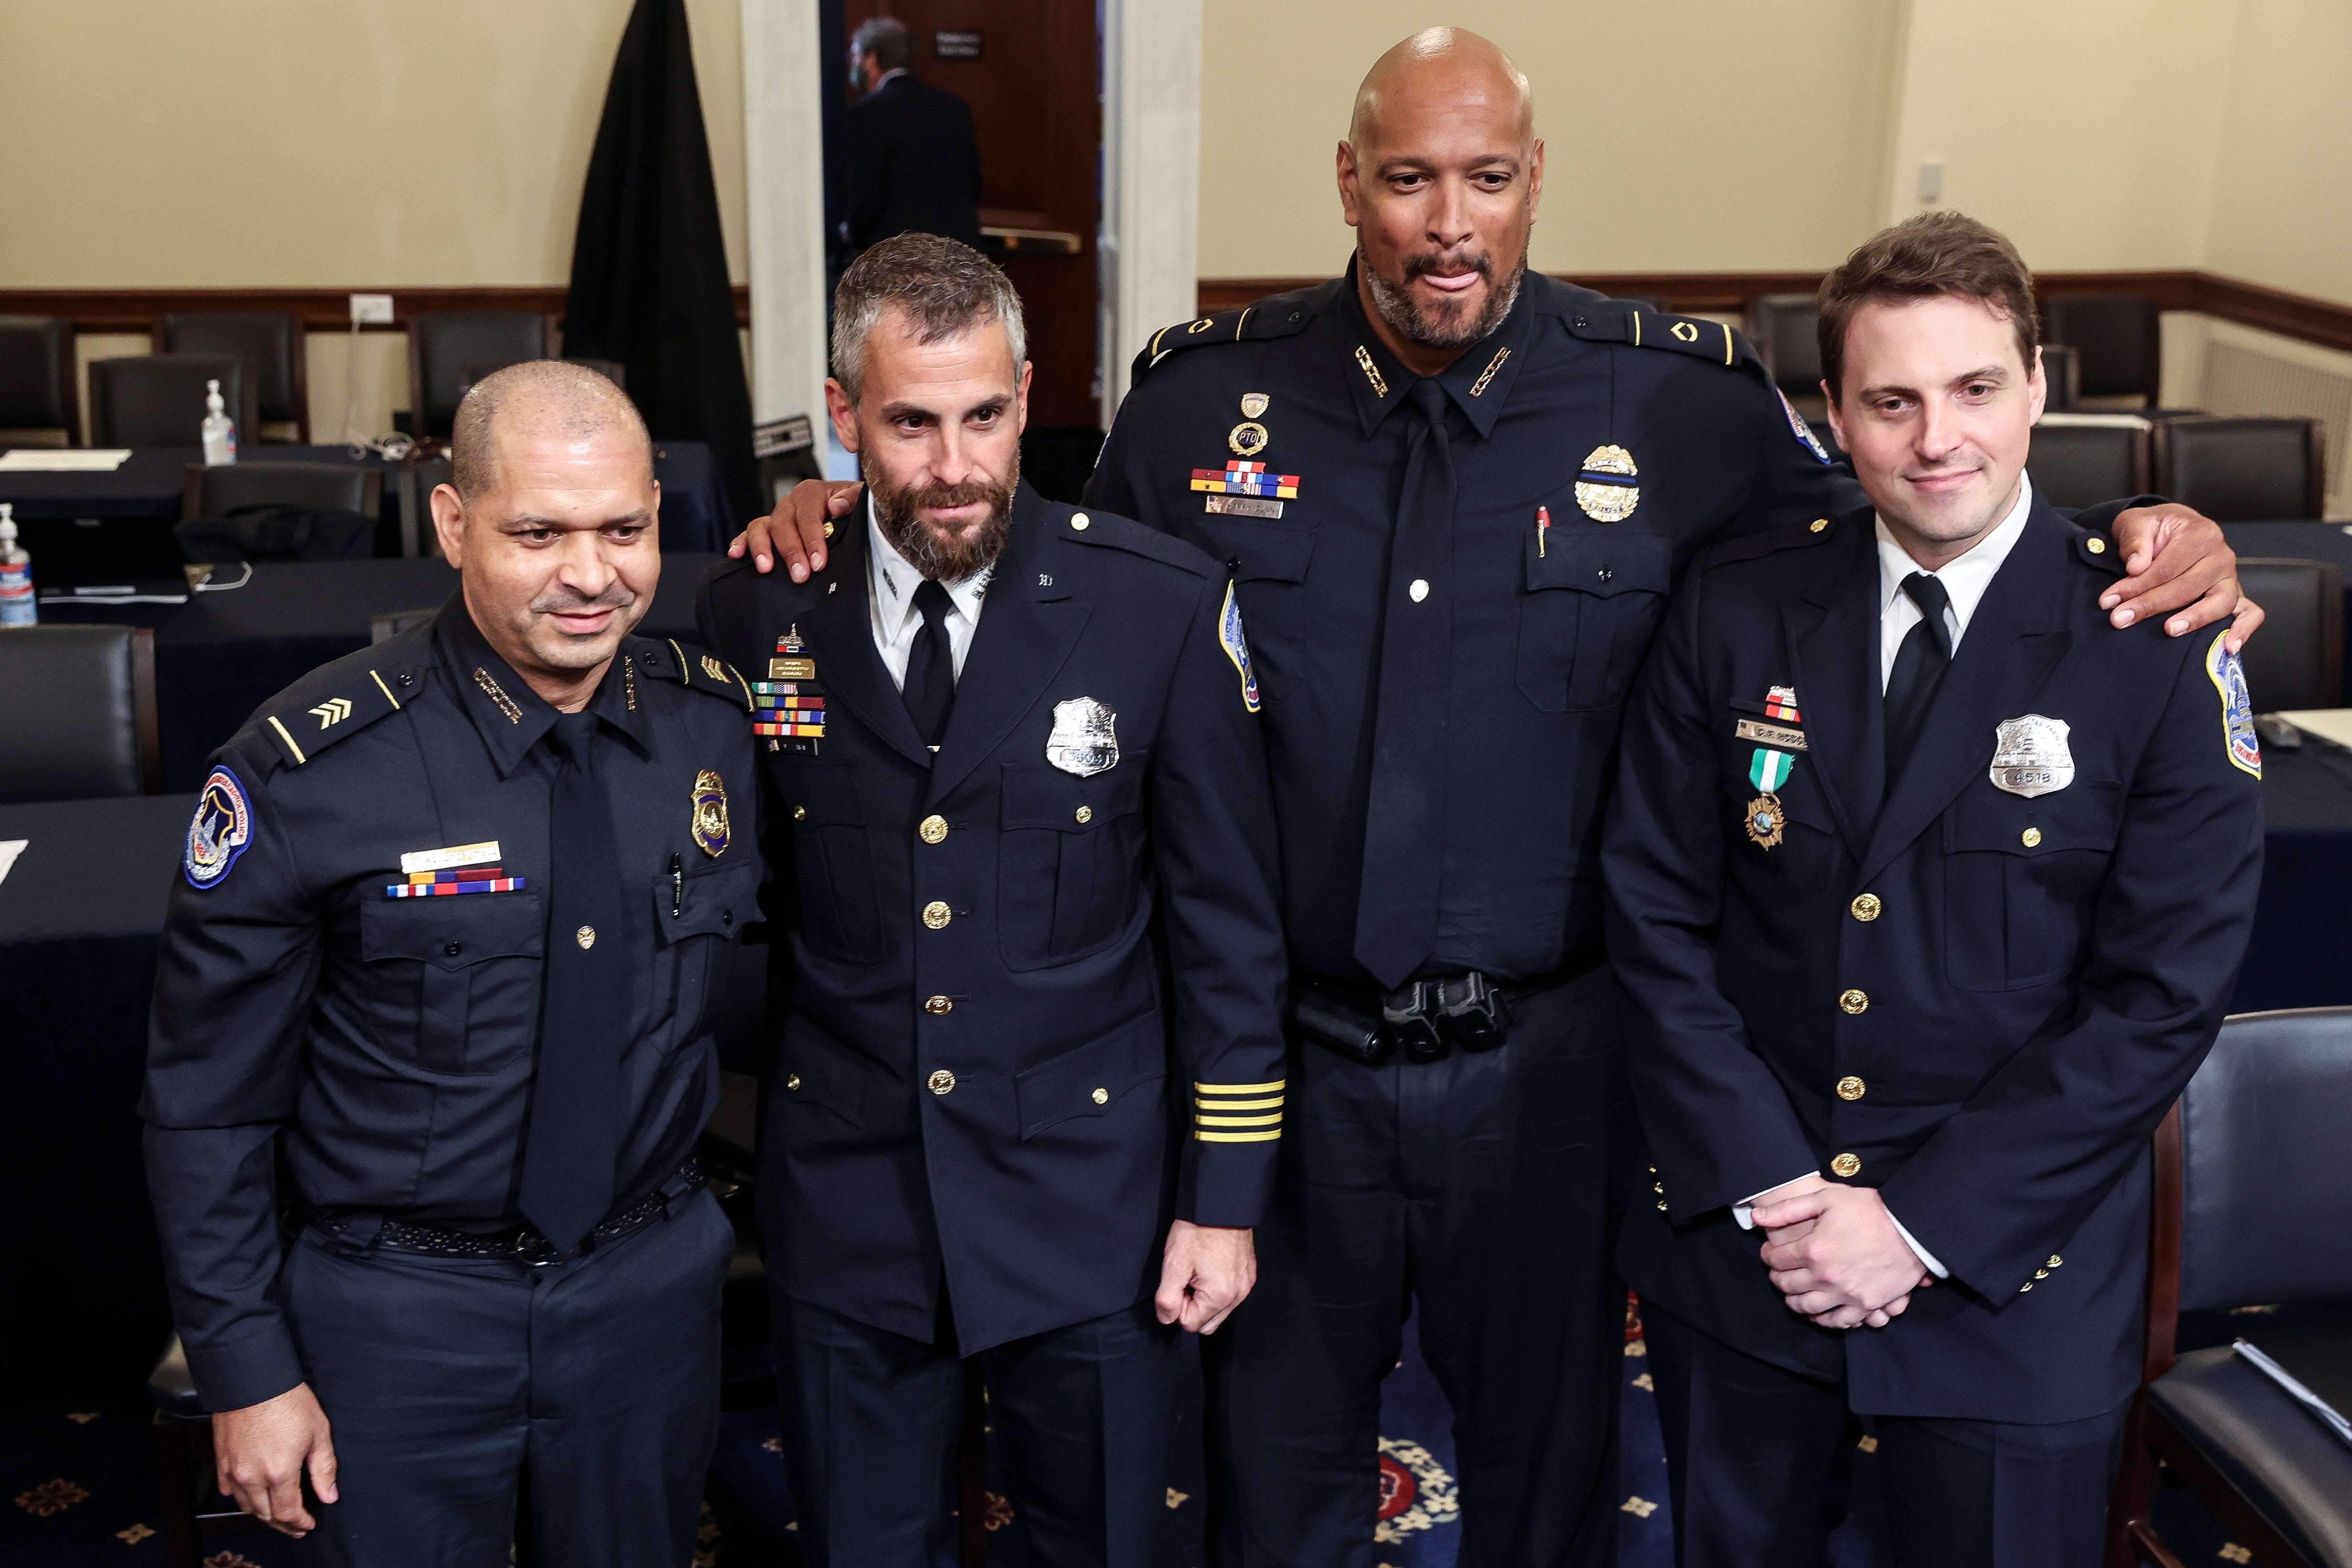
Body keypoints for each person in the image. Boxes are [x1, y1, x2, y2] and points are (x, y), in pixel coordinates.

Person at [731, 32, 2257, 1567]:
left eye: (1487, 176)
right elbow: (1042, 581)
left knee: (1551, 1485)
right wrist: (843, 500)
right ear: (1348, 181)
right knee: (1268, 1481)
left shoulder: (1687, 408)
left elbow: (1916, 518)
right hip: (1293, 1070)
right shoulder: (1204, 407)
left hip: (1553, 1074)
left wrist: (2145, 529)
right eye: (1406, 177)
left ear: (1536, 185)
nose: (1447, 220)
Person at [1605, 212, 2265, 1568]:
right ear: (1832, 415)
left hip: (2008, 1278)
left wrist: (1913, 1227)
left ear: (2036, 384)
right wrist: (1785, 1197)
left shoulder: (2149, 638)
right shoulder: (1737, 604)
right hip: (1753, 1251)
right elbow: (1653, 915)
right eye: (1889, 401)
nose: (1935, 441)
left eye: (1972, 390)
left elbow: (2159, 996)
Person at [696, 233, 1286, 1566]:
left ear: (1026, 396)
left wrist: (1225, 1196)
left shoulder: (1159, 608)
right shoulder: (756, 617)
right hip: (852, 1202)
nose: (952, 467)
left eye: (982, 416)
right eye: (908, 423)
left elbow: (1230, 939)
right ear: (843, 415)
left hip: (1096, 1200)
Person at [142, 361, 759, 1564]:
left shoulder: (716, 730)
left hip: (647, 1303)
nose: (592, 576)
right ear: (452, 521)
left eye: (624, 530)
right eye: (539, 532)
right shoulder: (312, 770)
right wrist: (247, 1369)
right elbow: (206, 1104)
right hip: (397, 1321)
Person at [841, 16, 985, 256]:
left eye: (856, 56)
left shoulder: (867, 113)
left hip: (902, 261)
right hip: (961, 257)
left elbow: (868, 196)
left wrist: (850, 231)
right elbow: (975, 185)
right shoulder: (955, 107)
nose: (853, 64)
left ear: (873, 59)